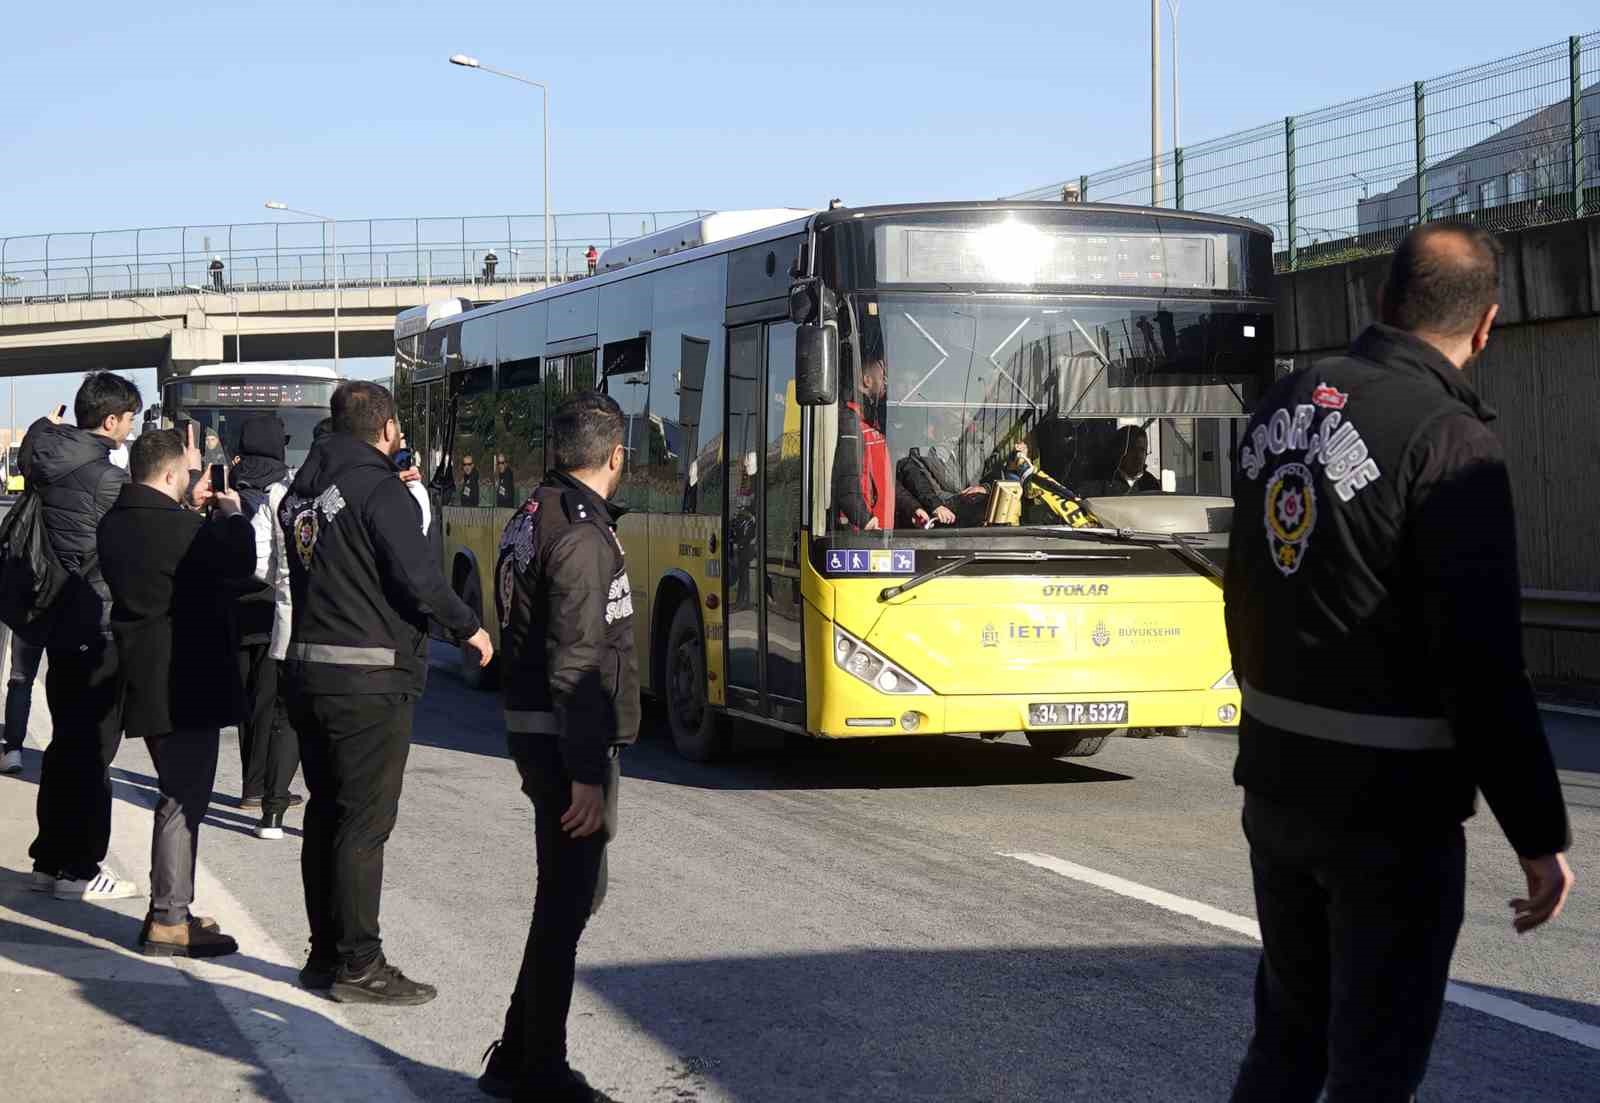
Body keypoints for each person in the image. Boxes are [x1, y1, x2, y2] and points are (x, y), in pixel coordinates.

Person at [1224, 222, 1574, 1102]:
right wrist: (1539, 835)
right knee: (1373, 1067)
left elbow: (1243, 590)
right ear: (1488, 326)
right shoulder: (1450, 443)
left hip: (1275, 787)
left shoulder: (1280, 407)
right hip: (1389, 814)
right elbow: (1483, 663)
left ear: (1381, 301)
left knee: (1288, 1041)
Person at [279, 380, 493, 1005]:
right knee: (364, 824)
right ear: (388, 429)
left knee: (324, 815)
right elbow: (419, 578)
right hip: (367, 679)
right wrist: (469, 628)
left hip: (308, 670)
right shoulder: (379, 491)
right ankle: (359, 963)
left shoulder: (301, 492)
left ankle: (325, 954)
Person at [479, 392, 640, 1101]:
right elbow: (576, 659)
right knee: (567, 906)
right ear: (615, 455)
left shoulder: (533, 512)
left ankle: (516, 1056)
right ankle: (541, 1069)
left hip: (538, 730)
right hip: (564, 739)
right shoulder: (577, 534)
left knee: (564, 901)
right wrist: (583, 774)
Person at [100, 427, 255, 957]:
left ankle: (176, 907)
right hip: (184, 679)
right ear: (169, 474)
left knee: (178, 788)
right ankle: (168, 917)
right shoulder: (182, 530)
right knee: (183, 799)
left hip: (143, 676)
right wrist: (231, 512)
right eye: (188, 472)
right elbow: (238, 563)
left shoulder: (115, 522)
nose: (194, 480)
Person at [24, 371, 142, 901]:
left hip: (56, 623)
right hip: (98, 626)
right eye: (131, 419)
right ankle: (80, 868)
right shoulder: (106, 481)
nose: (132, 429)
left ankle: (50, 859)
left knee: (64, 744)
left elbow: (35, 434)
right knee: (93, 749)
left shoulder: (44, 457)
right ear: (111, 420)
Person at [230, 415, 301, 839]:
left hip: (233, 606)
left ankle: (249, 782)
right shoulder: (285, 488)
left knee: (244, 701)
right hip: (271, 606)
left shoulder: (227, 482)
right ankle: (259, 787)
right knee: (269, 701)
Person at [830, 354, 894, 531]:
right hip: (863, 533)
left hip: (879, 531)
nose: (885, 383)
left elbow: (886, 479)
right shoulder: (850, 420)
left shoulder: (869, 423)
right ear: (867, 380)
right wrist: (864, 519)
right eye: (881, 378)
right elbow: (846, 479)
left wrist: (913, 507)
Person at [1, 632, 43, 775]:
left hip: (32, 618)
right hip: (68, 616)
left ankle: (13, 750)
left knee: (21, 680)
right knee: (65, 683)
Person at [1082, 425, 1160, 496]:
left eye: (1142, 450)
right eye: (1133, 449)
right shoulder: (1102, 481)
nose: (1138, 456)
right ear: (1120, 451)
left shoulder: (1150, 483)